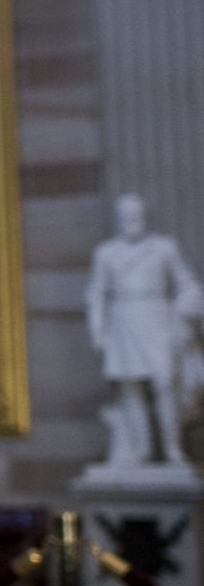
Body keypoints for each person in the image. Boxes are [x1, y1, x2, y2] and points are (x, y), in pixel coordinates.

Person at [86, 193, 203, 467]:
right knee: (130, 388)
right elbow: (96, 293)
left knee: (164, 384)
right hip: (123, 321)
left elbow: (186, 282)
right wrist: (98, 331)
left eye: (136, 215)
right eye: (126, 216)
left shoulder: (164, 248)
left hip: (157, 318)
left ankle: (173, 449)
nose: (132, 221)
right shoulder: (106, 253)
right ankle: (142, 451)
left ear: (144, 216)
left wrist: (187, 308)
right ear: (118, 219)